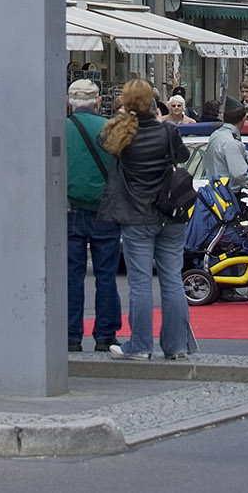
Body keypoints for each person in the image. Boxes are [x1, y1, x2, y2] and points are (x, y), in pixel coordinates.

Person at [97, 79, 192, 361]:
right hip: (170, 212)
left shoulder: (120, 133)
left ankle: (139, 346)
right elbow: (183, 156)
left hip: (136, 213)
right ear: (155, 103)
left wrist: (124, 117)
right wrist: (160, 121)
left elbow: (102, 143)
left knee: (139, 282)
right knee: (172, 279)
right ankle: (176, 346)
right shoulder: (168, 131)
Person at [65, 78, 122, 354]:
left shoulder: (60, 128)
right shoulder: (109, 128)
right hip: (105, 209)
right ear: (98, 102)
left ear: (69, 102)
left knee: (71, 275)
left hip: (69, 208)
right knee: (106, 275)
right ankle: (105, 336)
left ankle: (70, 336)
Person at [200, 99, 248, 192]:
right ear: (244, 118)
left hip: (215, 192)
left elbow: (245, 156)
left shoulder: (216, 134)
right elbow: (239, 173)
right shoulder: (231, 141)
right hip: (227, 196)